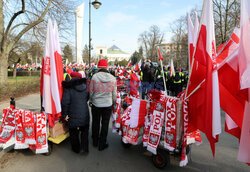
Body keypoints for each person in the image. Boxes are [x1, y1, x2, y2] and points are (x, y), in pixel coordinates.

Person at [90, 59, 117, 151]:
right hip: (107, 104)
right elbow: (114, 94)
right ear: (107, 67)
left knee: (95, 122)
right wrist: (113, 102)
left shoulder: (94, 77)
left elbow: (91, 92)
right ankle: (102, 144)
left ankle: (95, 141)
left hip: (96, 104)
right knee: (105, 124)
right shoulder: (113, 78)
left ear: (98, 67)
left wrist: (91, 100)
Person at [61, 71, 89, 154]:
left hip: (72, 114)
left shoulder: (68, 87)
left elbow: (65, 102)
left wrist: (65, 114)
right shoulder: (86, 86)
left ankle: (76, 149)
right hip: (84, 113)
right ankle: (84, 148)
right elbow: (87, 98)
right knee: (84, 132)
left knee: (73, 132)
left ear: (71, 78)